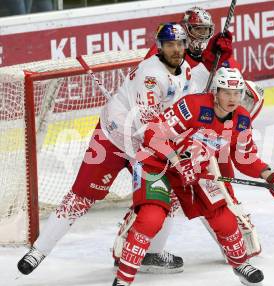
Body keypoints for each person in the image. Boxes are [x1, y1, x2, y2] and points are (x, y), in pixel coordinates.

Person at [16, 22, 232, 276]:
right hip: (116, 139)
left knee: (168, 198)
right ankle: (38, 251)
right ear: (159, 47)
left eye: (179, 44)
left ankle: (151, 255)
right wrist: (177, 158)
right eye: (169, 44)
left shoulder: (183, 69)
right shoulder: (151, 76)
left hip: (148, 144)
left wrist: (212, 60)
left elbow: (195, 93)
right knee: (82, 196)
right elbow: (149, 127)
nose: (175, 49)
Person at [112, 67, 274, 286]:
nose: (233, 98)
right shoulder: (193, 106)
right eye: (227, 92)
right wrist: (176, 160)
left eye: (237, 93)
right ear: (215, 92)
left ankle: (240, 265)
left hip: (195, 169)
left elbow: (246, 158)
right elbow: (153, 134)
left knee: (223, 217)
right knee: (151, 218)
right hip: (156, 164)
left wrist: (273, 178)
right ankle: (124, 279)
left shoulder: (241, 119)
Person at [112, 7, 265, 273]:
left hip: (206, 137)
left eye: (205, 31)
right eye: (193, 31)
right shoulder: (163, 58)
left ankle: (233, 237)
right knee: (161, 198)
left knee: (218, 192)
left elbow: (230, 88)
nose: (199, 37)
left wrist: (224, 60)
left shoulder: (211, 59)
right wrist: (203, 60)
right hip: (167, 137)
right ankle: (128, 244)